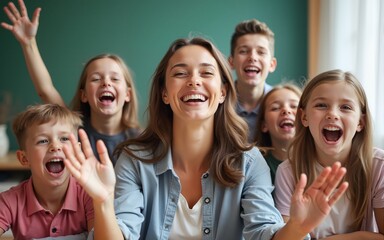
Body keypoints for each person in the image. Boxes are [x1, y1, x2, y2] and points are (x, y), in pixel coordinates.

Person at [63, 37, 348, 240]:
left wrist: (297, 228)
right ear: (164, 93)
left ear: (223, 91)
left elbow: (265, 234)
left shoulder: (250, 163)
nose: (194, 80)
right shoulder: (134, 161)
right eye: (180, 73)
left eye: (206, 72)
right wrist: (102, 202)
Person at [1, 0, 141, 165]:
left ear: (128, 94)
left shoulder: (141, 140)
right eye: (96, 78)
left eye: (115, 78)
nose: (106, 83)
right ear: (83, 95)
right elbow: (46, 90)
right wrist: (28, 43)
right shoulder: (71, 130)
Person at [274, 69, 384, 239]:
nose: (332, 114)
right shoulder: (288, 172)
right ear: (304, 117)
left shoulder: (379, 166)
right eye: (321, 105)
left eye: (346, 107)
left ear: (360, 122)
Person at [0, 103, 94, 240]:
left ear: (76, 151)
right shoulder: (9, 201)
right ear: (24, 158)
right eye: (43, 141)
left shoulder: (90, 196)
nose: (55, 146)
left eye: (64, 139)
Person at [228, 19, 277, 142]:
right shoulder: (218, 104)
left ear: (272, 64)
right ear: (231, 62)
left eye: (261, 52)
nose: (252, 57)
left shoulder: (284, 106)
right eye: (243, 51)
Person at [255, 83, 302, 184]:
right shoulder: (256, 166)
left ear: (306, 118)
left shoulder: (319, 161)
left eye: (294, 106)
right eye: (275, 108)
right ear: (264, 125)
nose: (286, 110)